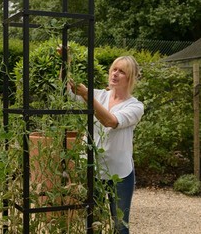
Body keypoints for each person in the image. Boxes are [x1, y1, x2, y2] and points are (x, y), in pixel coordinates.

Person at [58, 48, 144, 233]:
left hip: (119, 174)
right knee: (93, 223)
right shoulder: (100, 95)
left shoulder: (135, 106)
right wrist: (66, 63)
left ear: (130, 78)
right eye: (114, 69)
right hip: (93, 170)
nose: (115, 73)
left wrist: (87, 95)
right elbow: (66, 89)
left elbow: (110, 121)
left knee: (120, 226)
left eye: (122, 71)